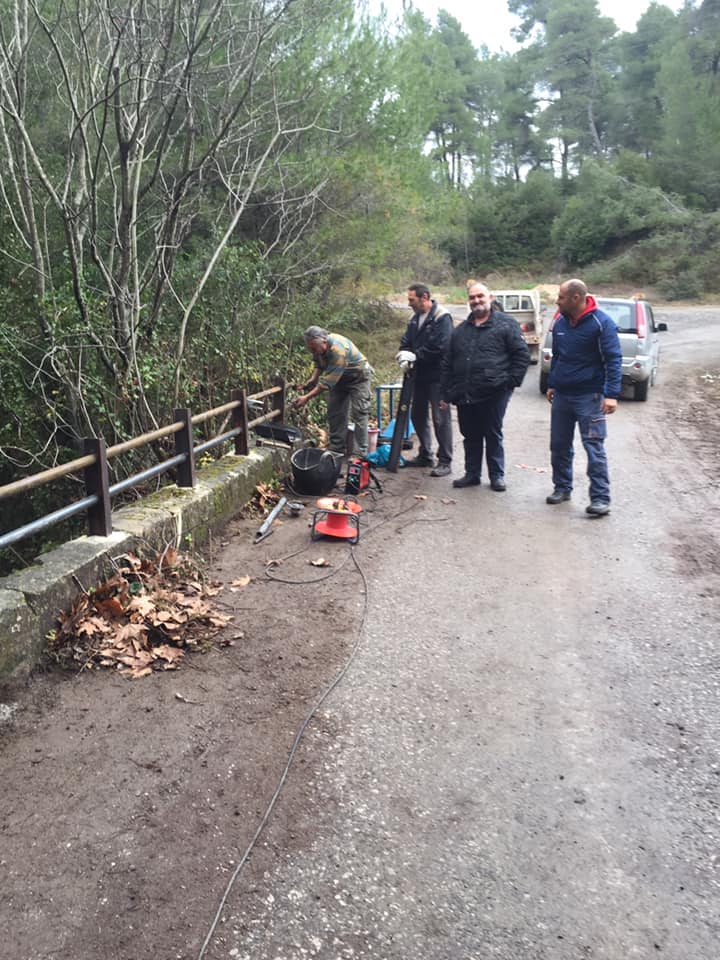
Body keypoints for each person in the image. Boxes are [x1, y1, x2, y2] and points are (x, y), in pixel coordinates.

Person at [440, 282, 530, 489]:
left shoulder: (506, 324)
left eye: (480, 296)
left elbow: (521, 355)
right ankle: (472, 474)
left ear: (490, 298)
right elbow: (448, 362)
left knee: (492, 432)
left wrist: (510, 382)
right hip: (465, 392)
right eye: (472, 297)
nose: (476, 301)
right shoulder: (460, 330)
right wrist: (445, 393)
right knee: (470, 434)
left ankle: (496, 476)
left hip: (495, 392)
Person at [545, 278, 622, 516]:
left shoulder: (601, 323)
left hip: (590, 397)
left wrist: (611, 395)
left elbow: (613, 359)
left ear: (575, 298)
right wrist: (552, 383)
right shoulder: (560, 321)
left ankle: (600, 499)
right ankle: (562, 488)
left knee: (593, 448)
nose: (557, 301)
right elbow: (558, 355)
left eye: (560, 297)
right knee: (558, 446)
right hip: (563, 396)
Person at [397, 283, 454, 477]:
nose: (409, 304)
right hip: (418, 376)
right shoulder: (414, 319)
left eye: (412, 300)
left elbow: (441, 346)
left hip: (438, 376)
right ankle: (425, 455)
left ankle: (445, 460)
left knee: (440, 418)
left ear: (425, 297)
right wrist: (403, 354)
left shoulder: (441, 317)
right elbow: (406, 341)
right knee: (418, 415)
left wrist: (416, 355)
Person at [292, 326, 372, 457]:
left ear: (324, 342)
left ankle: (359, 454)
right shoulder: (316, 346)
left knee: (360, 412)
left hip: (358, 377)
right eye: (310, 348)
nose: (313, 351)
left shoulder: (337, 350)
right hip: (339, 379)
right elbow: (319, 363)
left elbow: (326, 384)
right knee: (335, 412)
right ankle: (336, 449)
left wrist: (306, 397)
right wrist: (313, 379)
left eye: (314, 348)